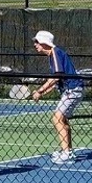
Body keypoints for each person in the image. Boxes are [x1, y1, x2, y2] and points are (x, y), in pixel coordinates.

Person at [31, 30, 83, 165]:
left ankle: (66, 153)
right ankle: (68, 151)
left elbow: (57, 76)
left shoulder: (55, 53)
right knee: (62, 119)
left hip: (73, 90)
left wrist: (40, 90)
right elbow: (57, 81)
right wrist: (41, 93)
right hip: (70, 90)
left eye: (36, 42)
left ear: (43, 42)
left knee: (57, 118)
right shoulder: (54, 55)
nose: (35, 45)